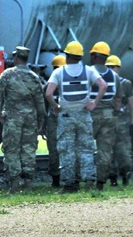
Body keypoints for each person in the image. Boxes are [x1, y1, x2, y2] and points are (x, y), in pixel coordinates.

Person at [44, 41, 106, 193]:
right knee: (86, 149)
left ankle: (69, 185)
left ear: (67, 55)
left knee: (67, 151)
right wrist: (94, 103)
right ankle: (90, 181)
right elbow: (103, 85)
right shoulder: (89, 70)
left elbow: (48, 93)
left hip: (66, 116)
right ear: (80, 56)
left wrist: (55, 106)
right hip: (84, 115)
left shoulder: (59, 72)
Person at [0, 46, 46, 192]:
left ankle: (14, 185)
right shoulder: (34, 77)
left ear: (16, 58)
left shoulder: (7, 75)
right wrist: (41, 120)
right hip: (30, 119)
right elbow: (40, 101)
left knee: (12, 149)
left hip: (13, 118)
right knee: (29, 149)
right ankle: (28, 185)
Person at [88, 41, 117, 190]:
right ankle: (100, 183)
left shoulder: (89, 71)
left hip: (93, 113)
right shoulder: (113, 74)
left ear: (93, 56)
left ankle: (86, 180)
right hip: (109, 114)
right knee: (105, 149)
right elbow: (117, 98)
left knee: (85, 147)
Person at [106, 54, 133, 187]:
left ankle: (126, 177)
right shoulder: (102, 82)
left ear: (119, 68)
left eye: (114, 67)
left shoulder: (126, 84)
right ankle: (112, 178)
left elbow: (131, 105)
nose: (111, 69)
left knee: (124, 152)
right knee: (108, 151)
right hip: (108, 122)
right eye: (108, 67)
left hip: (122, 123)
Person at [44, 55, 66, 187]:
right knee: (68, 148)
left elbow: (44, 108)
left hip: (52, 121)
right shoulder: (69, 83)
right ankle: (70, 177)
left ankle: (55, 179)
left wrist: (42, 126)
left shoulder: (48, 86)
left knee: (53, 149)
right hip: (66, 119)